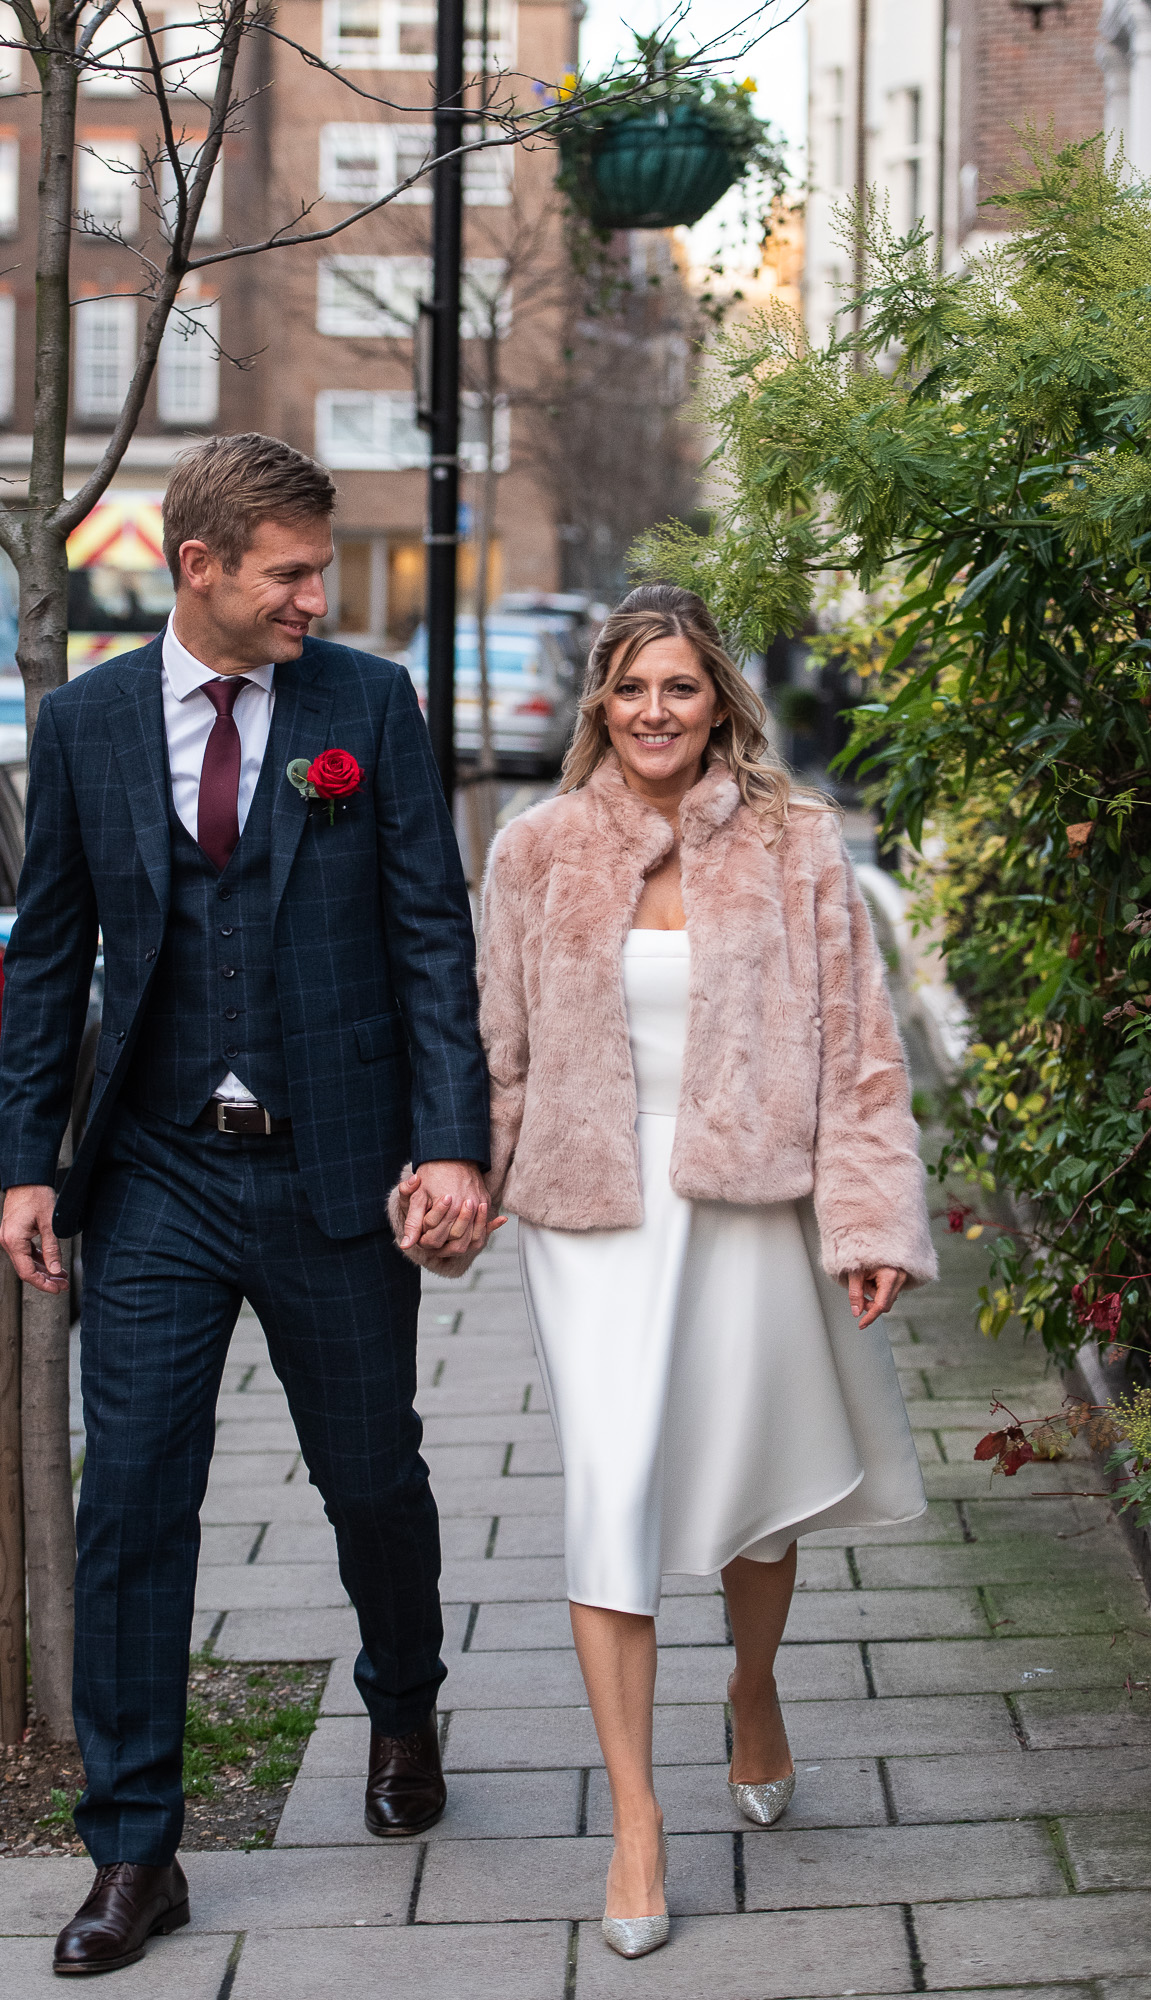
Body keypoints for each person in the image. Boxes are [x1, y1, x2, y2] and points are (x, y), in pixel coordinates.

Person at [0, 434, 493, 1977]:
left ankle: (402, 1699)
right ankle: (137, 1850)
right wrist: (30, 1160)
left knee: (373, 1482)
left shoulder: (367, 706)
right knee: (131, 1502)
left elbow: (430, 934)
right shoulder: (83, 723)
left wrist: (453, 1143)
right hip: (154, 1174)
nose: (312, 597)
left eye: (317, 571)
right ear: (194, 565)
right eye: (287, 572)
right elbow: (46, 947)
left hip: (333, 1165)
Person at [399, 583, 935, 1961]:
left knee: (755, 1489)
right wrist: (462, 1180)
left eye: (680, 689)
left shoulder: (800, 846)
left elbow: (863, 1047)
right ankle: (637, 1822)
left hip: (751, 1193)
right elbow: (495, 1047)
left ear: (720, 705)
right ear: (600, 701)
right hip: (594, 1213)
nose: (654, 712)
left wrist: (871, 1218)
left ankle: (752, 1689)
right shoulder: (534, 852)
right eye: (632, 689)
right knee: (616, 1485)